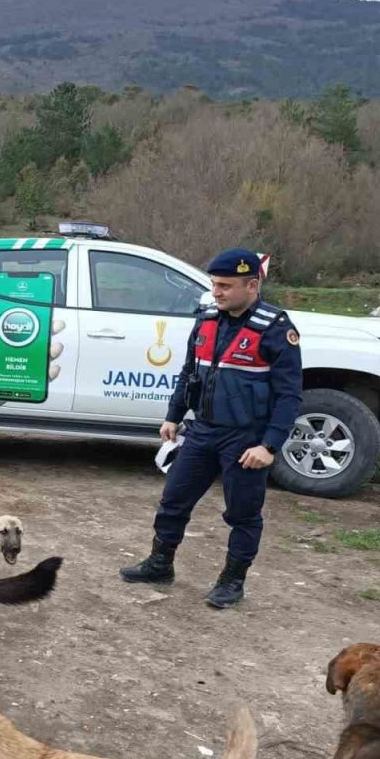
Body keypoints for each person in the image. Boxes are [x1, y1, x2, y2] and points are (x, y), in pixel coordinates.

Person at [119, 247, 303, 608]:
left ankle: (232, 581)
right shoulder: (206, 319)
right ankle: (160, 564)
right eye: (214, 284)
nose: (216, 292)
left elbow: (289, 395)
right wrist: (173, 415)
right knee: (173, 500)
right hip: (203, 431)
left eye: (225, 286)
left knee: (243, 514)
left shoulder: (276, 329)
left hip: (246, 439)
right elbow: (190, 372)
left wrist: (269, 446)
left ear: (252, 285)